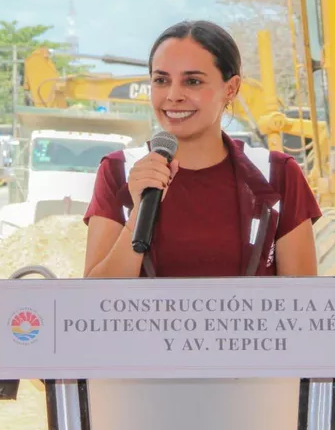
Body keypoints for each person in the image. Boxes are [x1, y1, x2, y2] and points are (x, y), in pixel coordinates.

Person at [83, 20, 322, 279]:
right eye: (161, 80)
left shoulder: (277, 175)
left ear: (231, 88)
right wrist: (138, 216)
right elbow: (96, 303)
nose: (173, 95)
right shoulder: (119, 171)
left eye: (193, 82)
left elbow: (302, 307)